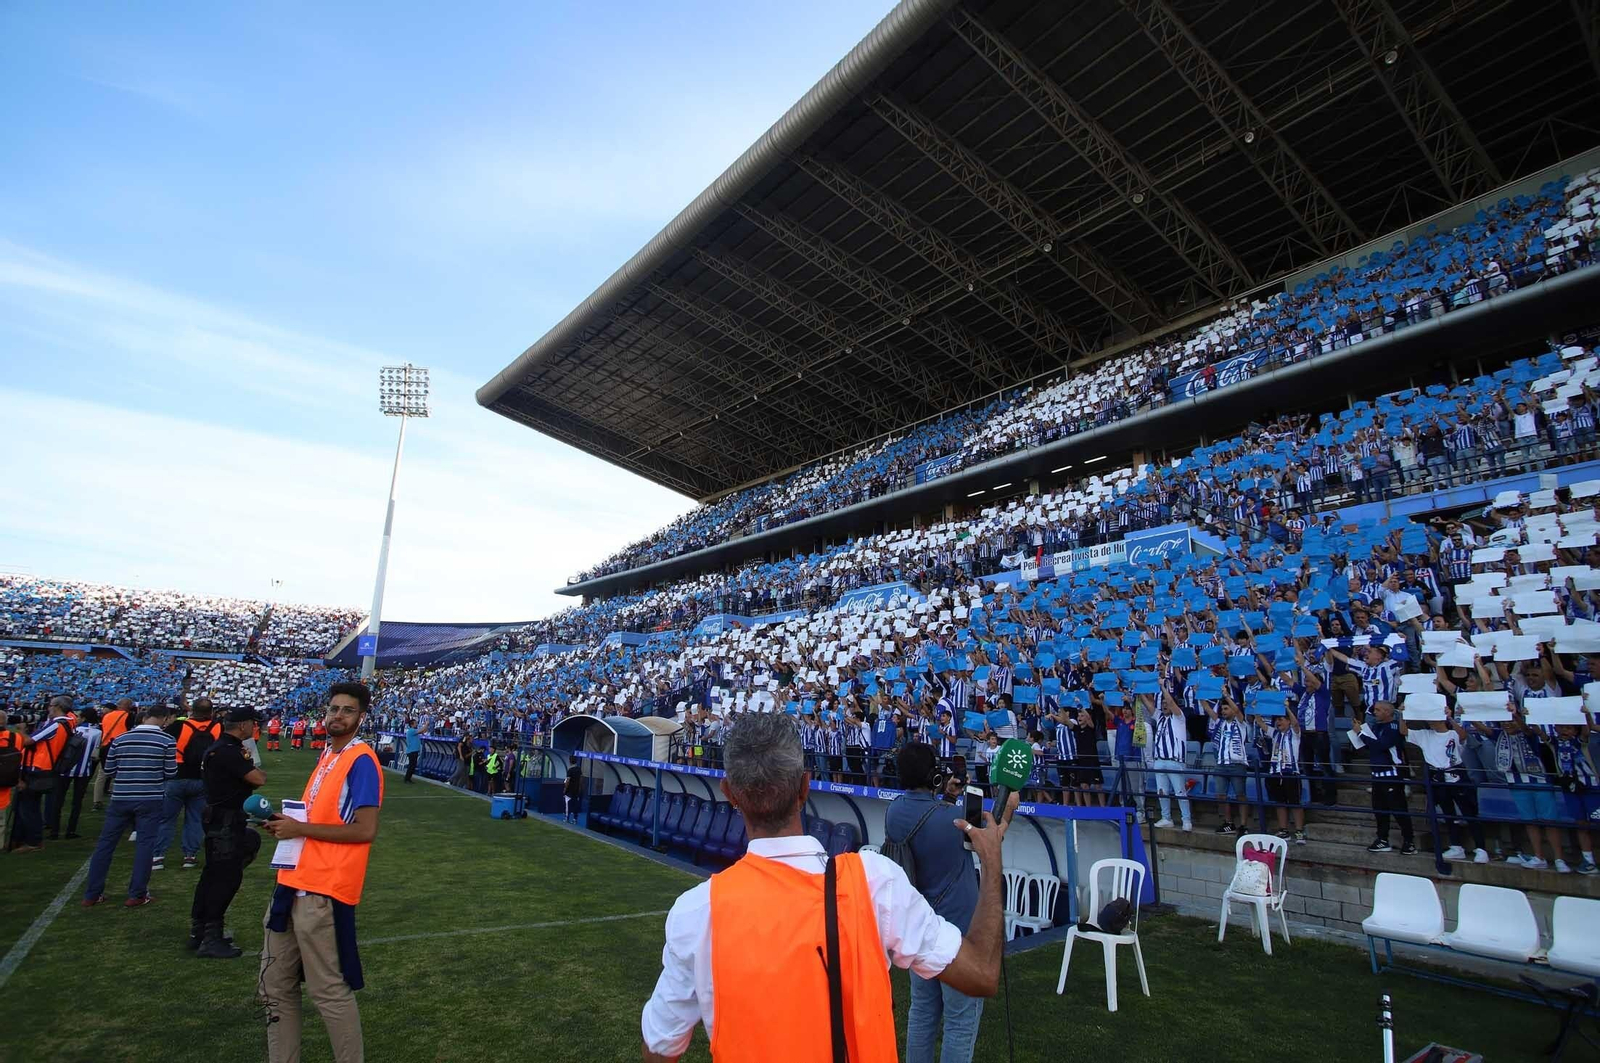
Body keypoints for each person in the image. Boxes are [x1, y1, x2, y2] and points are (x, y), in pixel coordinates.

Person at [640, 712, 1016, 1063]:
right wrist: (992, 859)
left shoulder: (696, 912)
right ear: (805, 787)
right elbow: (981, 974)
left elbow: (659, 1046)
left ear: (730, 793)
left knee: (923, 1012)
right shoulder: (874, 883)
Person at [259, 681, 384, 1063]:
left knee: (328, 991)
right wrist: (289, 822)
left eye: (347, 710)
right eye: (333, 709)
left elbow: (365, 830)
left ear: (361, 718)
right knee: (274, 986)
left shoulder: (360, 760)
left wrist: (300, 829)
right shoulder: (329, 754)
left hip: (322, 889)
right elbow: (321, 816)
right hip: (293, 880)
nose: (337, 715)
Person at [884, 742, 986, 1063]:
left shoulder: (894, 811)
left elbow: (929, 820)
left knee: (924, 1011)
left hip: (919, 928)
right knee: (959, 1020)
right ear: (932, 776)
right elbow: (984, 835)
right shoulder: (952, 818)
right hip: (958, 934)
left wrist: (948, 795)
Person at [82, 702, 178, 908]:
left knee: (106, 844)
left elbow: (109, 769)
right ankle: (137, 893)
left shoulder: (121, 738)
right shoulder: (167, 740)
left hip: (121, 796)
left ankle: (92, 893)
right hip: (150, 797)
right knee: (145, 845)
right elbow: (171, 772)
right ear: (164, 719)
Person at [190, 707, 267, 958]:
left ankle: (200, 930)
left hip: (217, 816)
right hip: (225, 819)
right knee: (225, 877)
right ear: (243, 725)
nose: (255, 728)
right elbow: (257, 778)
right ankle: (211, 935)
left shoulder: (218, 747)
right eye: (253, 724)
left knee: (212, 874)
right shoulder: (228, 751)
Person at [155, 697, 221, 871]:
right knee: (195, 819)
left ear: (192, 710)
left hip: (176, 776)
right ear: (211, 712)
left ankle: (158, 856)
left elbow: (163, 746)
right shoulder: (217, 727)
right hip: (202, 778)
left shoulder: (177, 726)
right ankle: (190, 856)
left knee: (166, 819)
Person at [1350, 701, 1415, 854]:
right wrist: (1361, 732)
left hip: (1391, 774)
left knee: (1399, 810)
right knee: (1379, 811)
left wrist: (1360, 733)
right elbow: (1370, 745)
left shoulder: (1393, 727)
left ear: (1387, 712)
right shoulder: (1377, 726)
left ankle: (1409, 841)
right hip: (1377, 775)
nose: (1375, 713)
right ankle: (1382, 839)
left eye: (1378, 710)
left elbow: (1381, 745)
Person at [12, 695, 74, 853]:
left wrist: (21, 730)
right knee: (29, 806)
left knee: (28, 807)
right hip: (45, 767)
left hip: (39, 768)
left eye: (50, 705)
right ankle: (25, 838)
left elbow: (28, 741)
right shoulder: (67, 723)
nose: (48, 708)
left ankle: (33, 841)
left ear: (57, 707)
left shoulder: (56, 725)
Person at [57, 708, 102, 839]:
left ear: (83, 718)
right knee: (77, 802)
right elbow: (95, 755)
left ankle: (54, 829)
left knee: (58, 800)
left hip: (66, 767)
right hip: (83, 770)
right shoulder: (97, 732)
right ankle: (71, 830)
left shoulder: (72, 730)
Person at [94, 698, 137, 810]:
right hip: (120, 746)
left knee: (102, 774)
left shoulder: (107, 715)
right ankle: (117, 798)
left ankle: (97, 800)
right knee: (120, 774)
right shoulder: (128, 716)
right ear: (127, 706)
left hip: (105, 745)